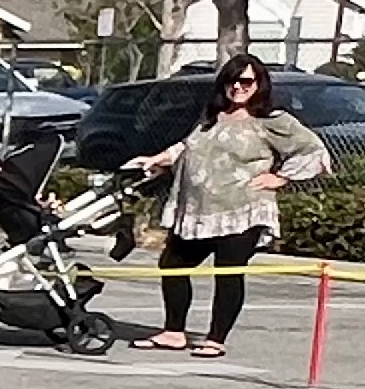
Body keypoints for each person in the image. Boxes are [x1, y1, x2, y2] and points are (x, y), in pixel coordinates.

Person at [125, 51, 329, 357]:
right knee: (173, 265)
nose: (237, 87)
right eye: (231, 81)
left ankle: (215, 339)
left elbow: (313, 151)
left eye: (246, 81)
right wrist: (156, 160)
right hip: (198, 211)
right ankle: (173, 332)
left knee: (228, 271)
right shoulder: (212, 118)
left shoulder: (272, 121)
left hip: (243, 211)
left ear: (259, 84)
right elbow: (186, 148)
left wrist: (281, 178)